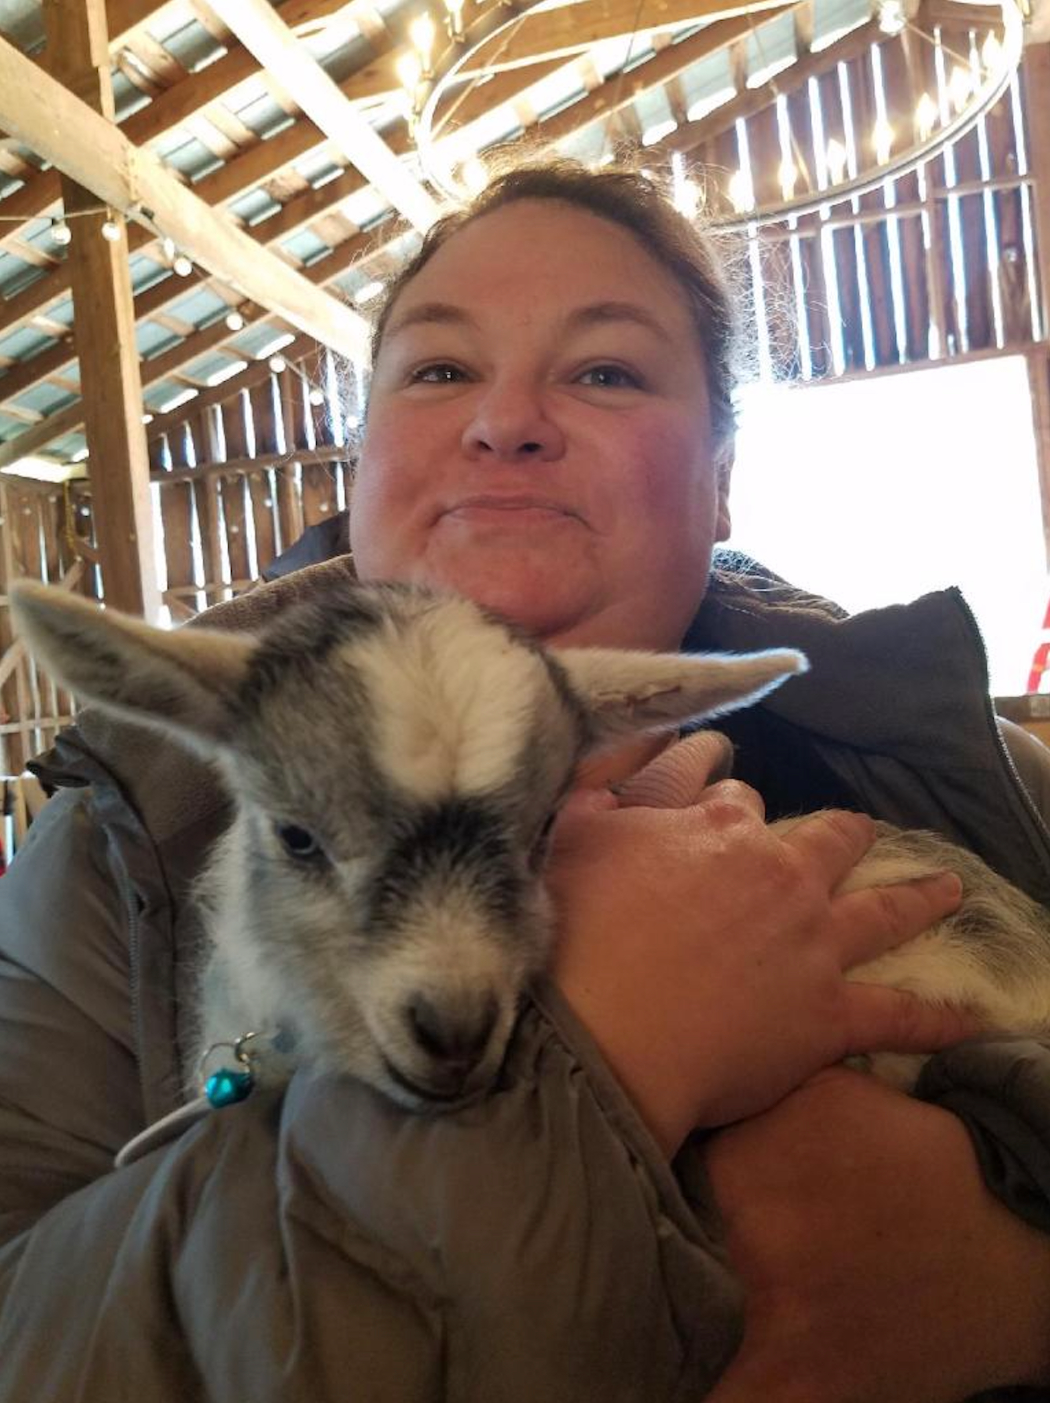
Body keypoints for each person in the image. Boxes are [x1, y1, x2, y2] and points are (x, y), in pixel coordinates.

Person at [0, 158, 1048, 1401]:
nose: (507, 419)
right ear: (364, 460)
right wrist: (599, 1050)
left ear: (721, 474)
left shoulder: (997, 782)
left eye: (606, 369)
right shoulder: (121, 839)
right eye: (440, 369)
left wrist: (1014, 1272)